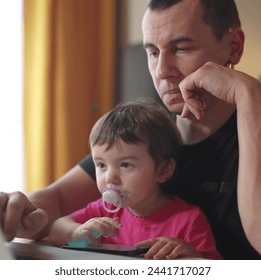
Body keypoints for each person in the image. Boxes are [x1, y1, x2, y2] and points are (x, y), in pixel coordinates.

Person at [0, 0, 261, 259]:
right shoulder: (147, 136)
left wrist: (249, 92)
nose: (163, 71)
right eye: (153, 52)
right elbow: (58, 201)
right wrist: (18, 213)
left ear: (234, 46)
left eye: (182, 48)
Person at [47, 101, 222, 260]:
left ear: (163, 170)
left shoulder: (189, 220)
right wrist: (77, 234)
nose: (110, 177)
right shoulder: (102, 212)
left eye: (125, 165)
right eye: (101, 165)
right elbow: (56, 231)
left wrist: (189, 253)